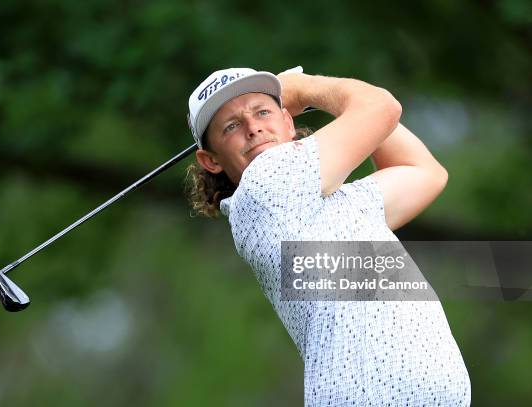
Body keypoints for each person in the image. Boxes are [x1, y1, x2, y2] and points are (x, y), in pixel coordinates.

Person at [185, 67, 471, 406]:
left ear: (288, 123)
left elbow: (424, 173)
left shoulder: (332, 203)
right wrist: (307, 88)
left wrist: (324, 100)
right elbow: (382, 107)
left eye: (263, 112)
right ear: (210, 160)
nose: (253, 128)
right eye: (231, 126)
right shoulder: (264, 186)